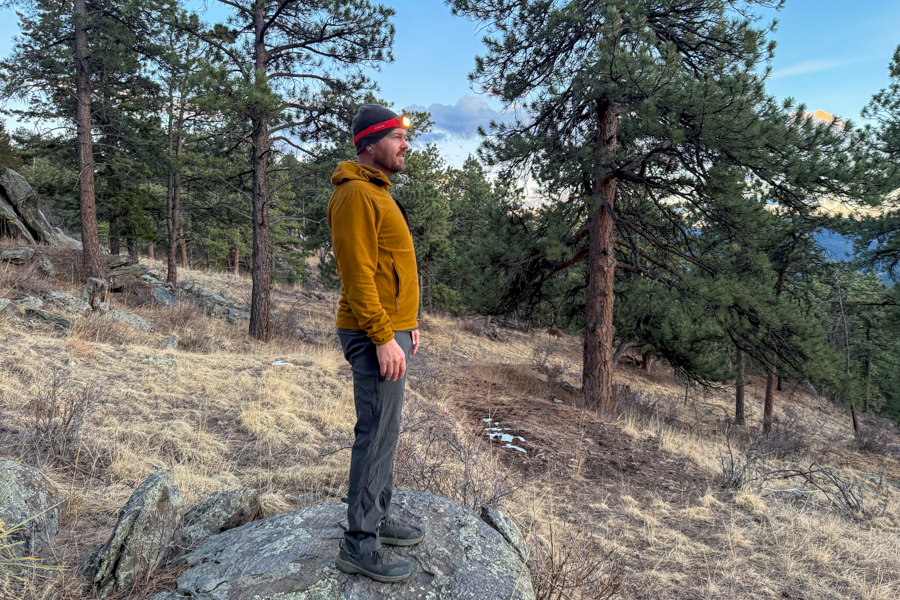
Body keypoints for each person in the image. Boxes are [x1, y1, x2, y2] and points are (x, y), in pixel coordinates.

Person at [327, 104, 424, 583]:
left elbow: (393, 267)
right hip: (373, 335)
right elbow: (357, 275)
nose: (406, 144)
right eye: (397, 137)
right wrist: (385, 337)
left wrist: (408, 324)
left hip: (393, 330)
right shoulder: (354, 197)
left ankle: (378, 519)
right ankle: (359, 543)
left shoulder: (377, 192)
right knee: (374, 432)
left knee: (387, 431)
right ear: (369, 144)